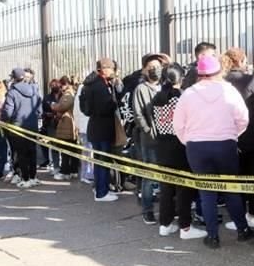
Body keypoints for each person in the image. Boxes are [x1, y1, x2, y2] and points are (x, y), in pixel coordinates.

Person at [173, 53, 254, 248]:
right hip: (225, 145)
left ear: (199, 73)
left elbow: (178, 124)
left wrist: (188, 141)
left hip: (197, 147)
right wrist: (232, 135)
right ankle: (242, 230)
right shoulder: (229, 91)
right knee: (230, 189)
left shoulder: (188, 94)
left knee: (207, 193)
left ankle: (212, 236)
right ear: (219, 71)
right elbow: (243, 119)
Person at [152, 64, 207, 239]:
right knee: (184, 188)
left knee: (166, 188)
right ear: (181, 79)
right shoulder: (182, 98)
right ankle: (185, 227)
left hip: (162, 146)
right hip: (180, 146)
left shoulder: (157, 97)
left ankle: (165, 224)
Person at [224, 47, 254, 228]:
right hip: (253, 136)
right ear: (239, 61)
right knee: (253, 177)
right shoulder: (252, 80)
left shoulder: (222, 82)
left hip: (229, 137)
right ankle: (251, 214)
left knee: (235, 179)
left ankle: (237, 218)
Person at [79, 58, 124, 201]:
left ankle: (100, 189)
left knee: (99, 161)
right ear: (104, 69)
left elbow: (85, 108)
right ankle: (102, 192)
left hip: (95, 126)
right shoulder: (100, 85)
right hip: (103, 127)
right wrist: (115, 102)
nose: (113, 72)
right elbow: (105, 106)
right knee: (103, 161)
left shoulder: (90, 84)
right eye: (112, 69)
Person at [133, 54, 168, 224]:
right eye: (151, 67)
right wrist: (148, 130)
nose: (155, 70)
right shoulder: (141, 89)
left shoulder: (165, 87)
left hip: (167, 139)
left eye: (158, 67)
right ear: (144, 70)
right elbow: (138, 114)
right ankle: (147, 210)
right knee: (149, 176)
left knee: (166, 176)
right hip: (150, 139)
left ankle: (167, 210)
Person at [3, 67, 43, 189]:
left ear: (14, 78)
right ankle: (33, 177)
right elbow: (39, 110)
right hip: (32, 126)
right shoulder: (34, 90)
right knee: (32, 152)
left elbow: (8, 112)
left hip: (17, 128)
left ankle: (25, 179)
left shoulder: (12, 93)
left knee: (21, 154)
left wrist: (7, 121)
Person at [52, 76, 80, 181]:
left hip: (67, 125)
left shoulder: (68, 94)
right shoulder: (72, 93)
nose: (60, 88)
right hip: (71, 124)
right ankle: (73, 170)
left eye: (61, 85)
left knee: (65, 150)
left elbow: (62, 106)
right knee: (72, 149)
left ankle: (65, 172)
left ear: (66, 84)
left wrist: (53, 105)